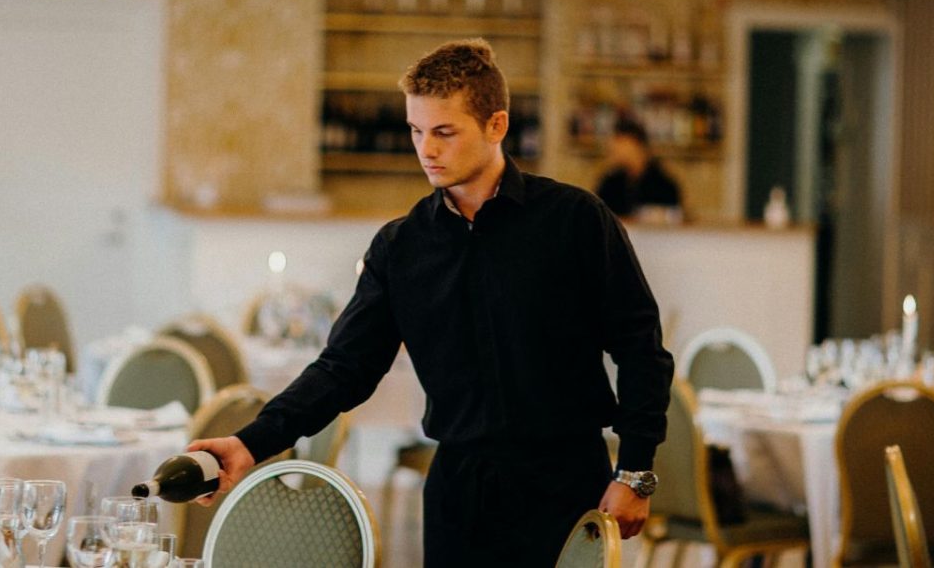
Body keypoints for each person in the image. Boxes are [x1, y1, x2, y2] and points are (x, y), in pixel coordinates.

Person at [188, 39, 674, 566]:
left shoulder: (576, 220)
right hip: (457, 495)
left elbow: (640, 348)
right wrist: (251, 442)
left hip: (568, 484)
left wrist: (635, 471)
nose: (427, 150)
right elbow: (343, 369)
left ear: (496, 125)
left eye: (444, 132)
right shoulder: (400, 248)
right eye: (416, 131)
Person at [596, 119, 683, 221]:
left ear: (634, 143)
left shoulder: (664, 184)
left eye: (618, 141)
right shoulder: (610, 183)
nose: (611, 146)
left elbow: (674, 220)